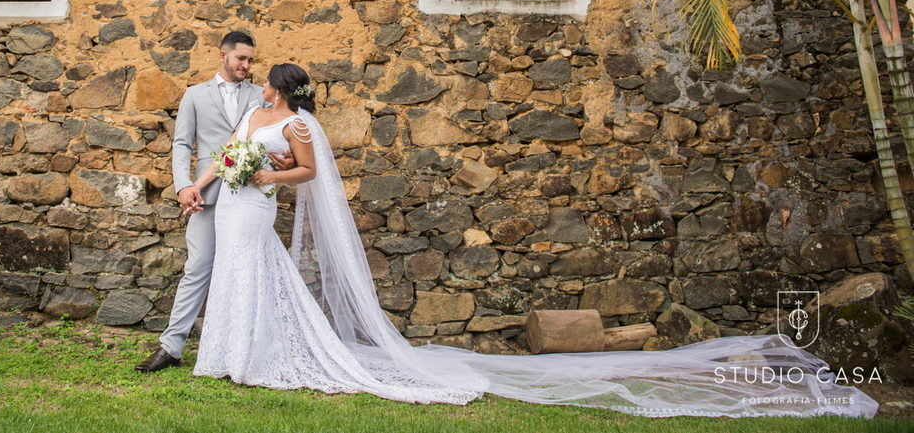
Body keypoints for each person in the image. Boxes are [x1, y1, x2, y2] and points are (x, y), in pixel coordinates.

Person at [174, 63, 878, 418]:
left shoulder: (295, 123)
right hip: (231, 203)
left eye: (270, 81)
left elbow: (303, 171)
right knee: (241, 275)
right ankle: (231, 353)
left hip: (255, 203)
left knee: (258, 272)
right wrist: (216, 177)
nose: (264, 83)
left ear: (283, 89)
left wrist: (265, 171)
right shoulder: (253, 113)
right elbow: (228, 151)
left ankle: (259, 352)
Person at [134, 30, 266, 373]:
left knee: (249, 268)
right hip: (205, 195)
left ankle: (245, 348)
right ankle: (171, 346)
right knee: (198, 267)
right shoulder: (194, 95)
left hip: (249, 194)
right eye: (241, 58)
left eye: (251, 60)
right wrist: (183, 186)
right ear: (222, 55)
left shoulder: (261, 95)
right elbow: (182, 144)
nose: (247, 66)